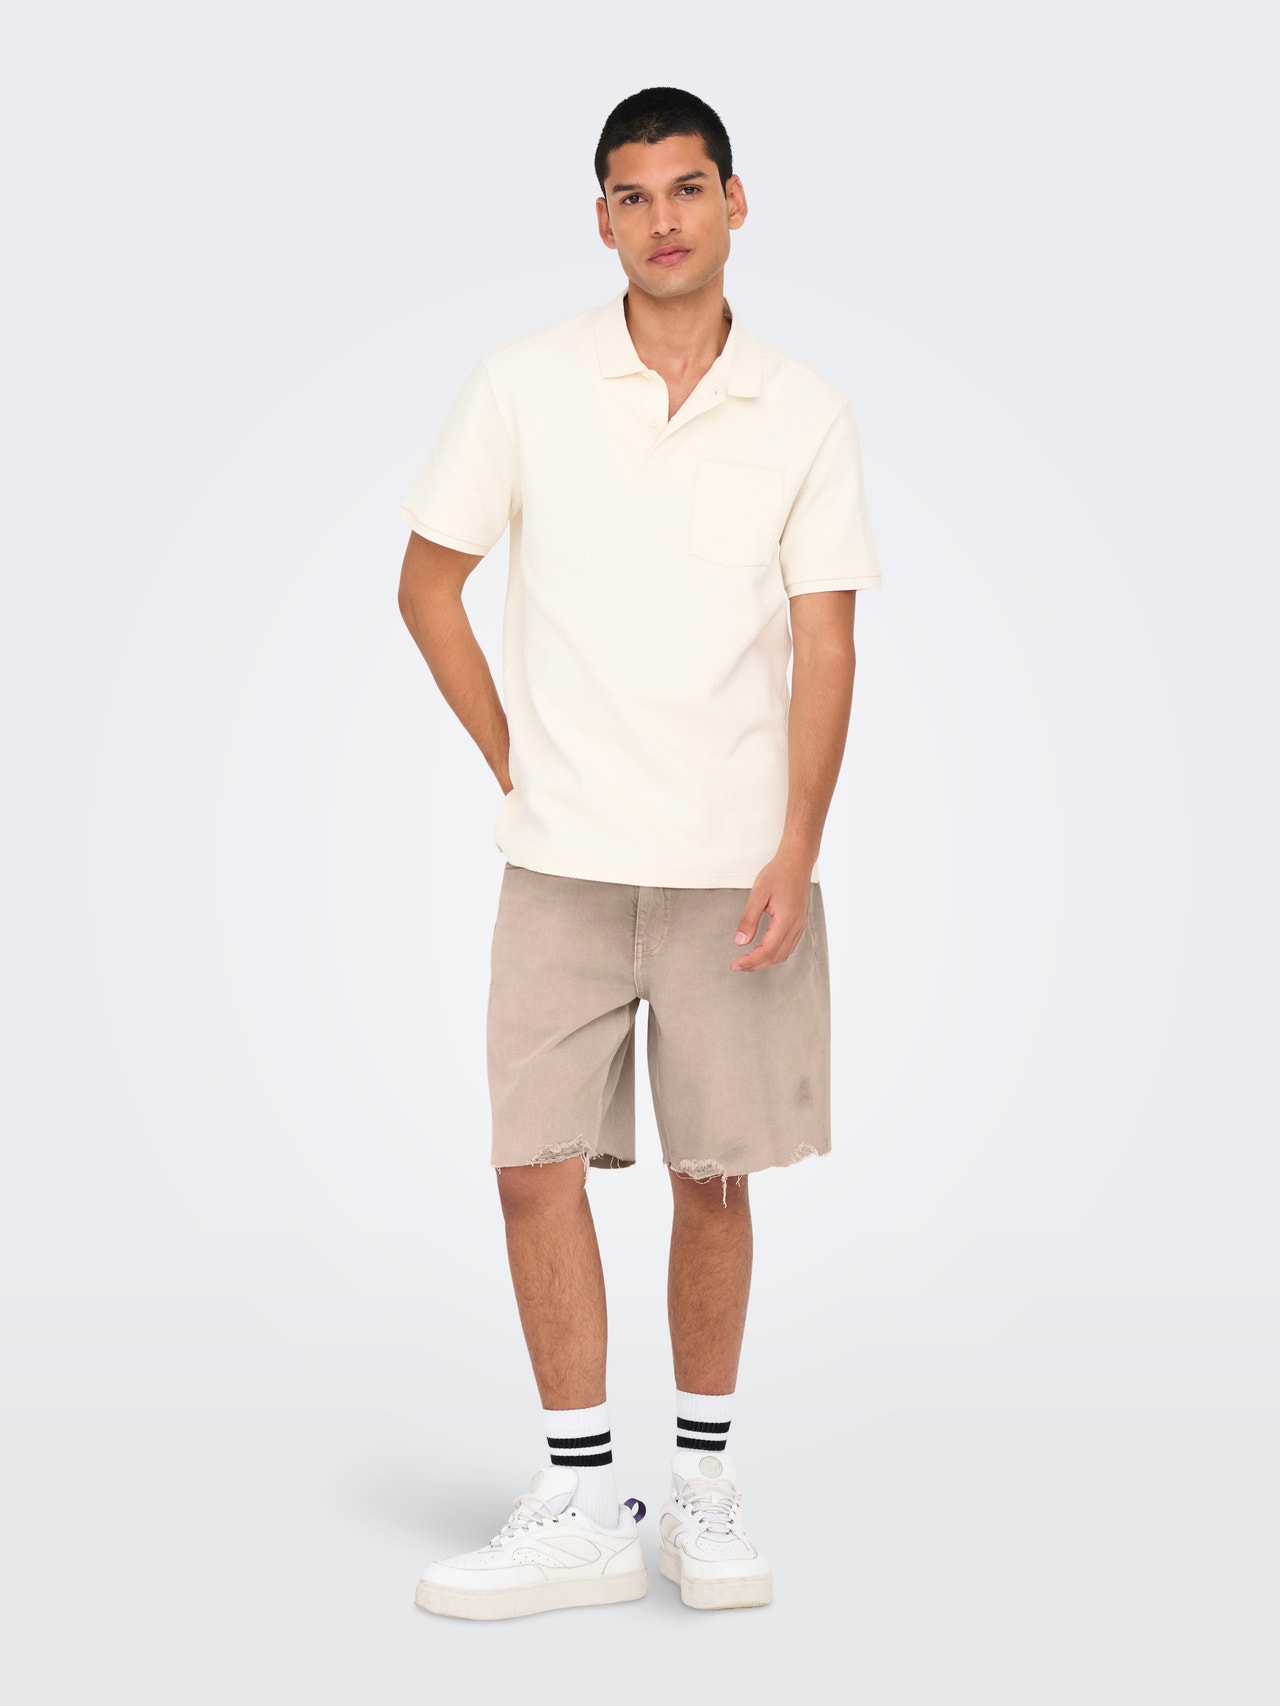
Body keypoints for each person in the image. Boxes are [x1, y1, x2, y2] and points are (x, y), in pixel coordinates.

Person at [396, 85, 882, 1621]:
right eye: (631, 194)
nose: (662, 218)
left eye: (686, 187)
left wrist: (798, 843)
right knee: (532, 1165)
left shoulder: (804, 410)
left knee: (714, 1176)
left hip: (735, 864)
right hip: (561, 860)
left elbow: (826, 643)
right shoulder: (525, 383)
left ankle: (703, 1489)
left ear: (737, 200)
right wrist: (511, 754)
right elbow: (426, 584)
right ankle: (579, 1497)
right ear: (599, 219)